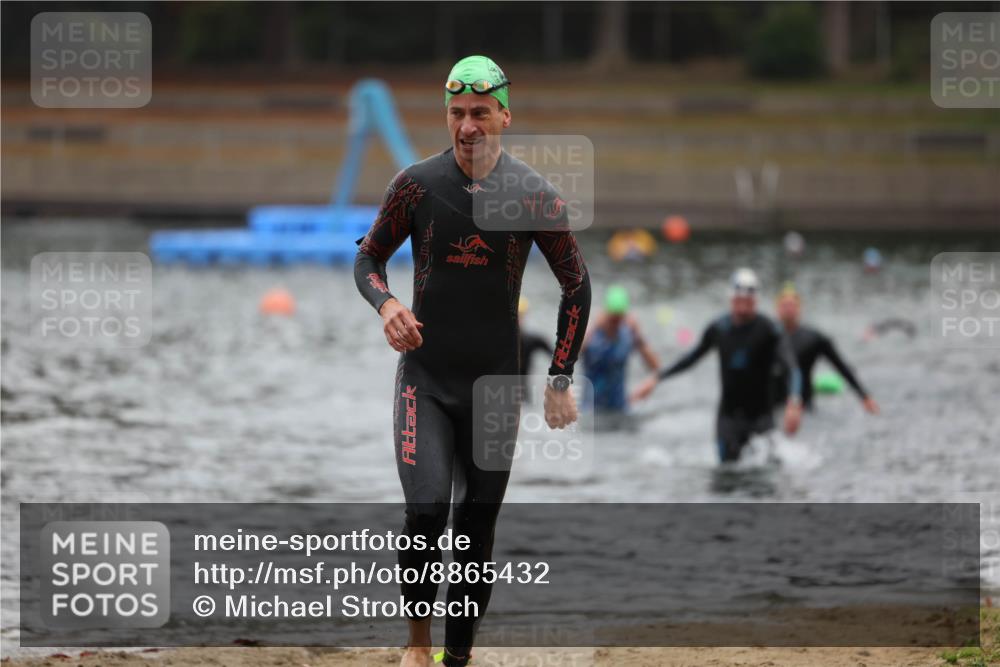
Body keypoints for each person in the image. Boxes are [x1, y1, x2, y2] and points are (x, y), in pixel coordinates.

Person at [354, 55, 591, 667]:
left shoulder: (533, 194)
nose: (467, 126)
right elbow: (367, 260)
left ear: (504, 115)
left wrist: (559, 378)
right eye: (457, 113)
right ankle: (417, 647)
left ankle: (456, 660)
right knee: (426, 510)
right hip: (426, 381)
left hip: (494, 391)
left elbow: (577, 285)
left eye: (480, 113)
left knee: (475, 534)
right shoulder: (416, 185)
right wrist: (386, 307)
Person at [632, 268, 802, 463]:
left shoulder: (769, 329)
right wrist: (657, 378)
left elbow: (792, 367)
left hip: (761, 417)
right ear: (731, 299)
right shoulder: (719, 328)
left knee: (768, 474)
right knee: (726, 476)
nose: (743, 308)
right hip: (729, 417)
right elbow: (691, 358)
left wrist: (794, 401)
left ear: (756, 301)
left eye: (748, 302)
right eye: (739, 301)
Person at [773, 284, 879, 414]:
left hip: (804, 407)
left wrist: (864, 396)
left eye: (792, 305)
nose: (788, 310)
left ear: (800, 308)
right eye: (784, 306)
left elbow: (841, 366)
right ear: (777, 309)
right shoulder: (765, 336)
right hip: (772, 406)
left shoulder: (814, 338)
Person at [581, 285, 659, 414]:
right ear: (605, 313)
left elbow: (656, 368)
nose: (615, 324)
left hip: (620, 409)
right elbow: (570, 356)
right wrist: (591, 327)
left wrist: (638, 336)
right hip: (590, 410)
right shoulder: (592, 337)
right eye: (612, 319)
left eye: (619, 319)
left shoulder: (627, 335)